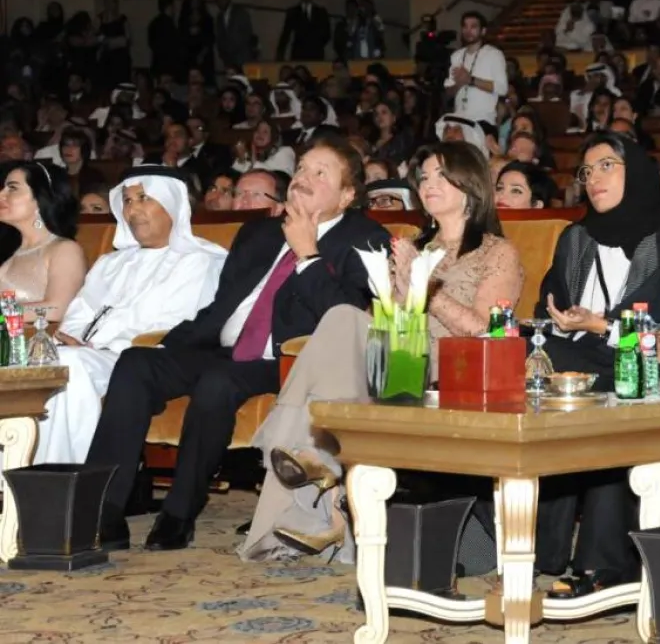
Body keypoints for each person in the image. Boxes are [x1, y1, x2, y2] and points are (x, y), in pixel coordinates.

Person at [88, 136, 391, 552]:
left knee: (218, 381)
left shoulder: (366, 238)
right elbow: (220, 308)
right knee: (135, 363)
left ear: (347, 195)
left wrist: (308, 254)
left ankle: (178, 513)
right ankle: (105, 510)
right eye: (302, 168)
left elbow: (344, 319)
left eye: (321, 173)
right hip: (225, 351)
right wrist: (169, 345)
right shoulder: (259, 233)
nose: (303, 177)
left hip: (290, 362)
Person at [239, 140, 522, 561]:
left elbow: (488, 330)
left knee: (344, 323)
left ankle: (322, 482)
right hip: (395, 360)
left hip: (450, 368)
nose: (428, 184)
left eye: (441, 175)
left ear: (471, 184)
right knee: (342, 318)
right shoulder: (412, 245)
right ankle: (317, 470)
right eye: (424, 176)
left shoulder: (497, 252)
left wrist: (424, 289)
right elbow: (375, 318)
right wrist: (396, 291)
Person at [534, 132, 660, 595]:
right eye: (587, 171)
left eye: (607, 165)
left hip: (640, 361)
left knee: (613, 395)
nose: (594, 178)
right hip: (576, 359)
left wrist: (603, 327)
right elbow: (548, 309)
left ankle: (602, 564)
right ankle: (535, 548)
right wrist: (566, 325)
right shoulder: (574, 239)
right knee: (535, 372)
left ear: (638, 173)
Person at [39, 168, 226, 464]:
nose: (133, 209)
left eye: (143, 198)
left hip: (138, 360)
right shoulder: (110, 262)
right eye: (127, 201)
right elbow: (79, 311)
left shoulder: (201, 260)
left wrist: (94, 347)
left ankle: (70, 476)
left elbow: (174, 326)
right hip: (85, 354)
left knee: (70, 363)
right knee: (43, 361)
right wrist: (72, 338)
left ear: (172, 204)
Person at [0, 162, 86, 322]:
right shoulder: (7, 248)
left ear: (40, 199)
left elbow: (57, 309)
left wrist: (3, 312)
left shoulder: (64, 250)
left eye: (12, 188)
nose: (1, 195)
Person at [445, 12, 507, 125]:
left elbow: (502, 89)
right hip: (459, 119)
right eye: (465, 26)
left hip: (483, 120)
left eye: (473, 26)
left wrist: (471, 80)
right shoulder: (456, 56)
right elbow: (448, 93)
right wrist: (458, 84)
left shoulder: (494, 54)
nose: (468, 31)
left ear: (483, 31)